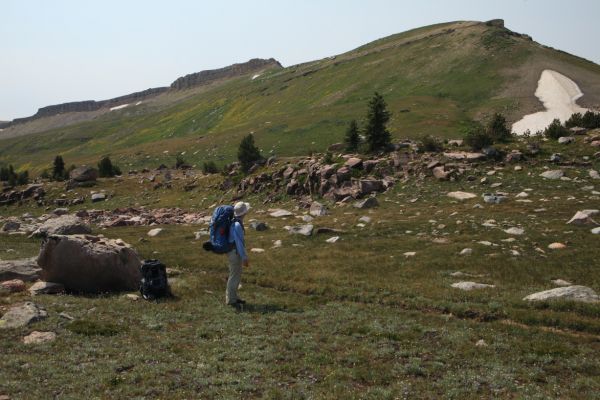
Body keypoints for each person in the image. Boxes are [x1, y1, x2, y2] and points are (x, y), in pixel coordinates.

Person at [226, 201, 250, 308]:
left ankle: (234, 297)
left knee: (235, 275)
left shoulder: (233, 222)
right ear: (244, 213)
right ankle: (231, 300)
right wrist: (244, 257)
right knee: (234, 276)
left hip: (232, 252)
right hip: (235, 253)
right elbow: (239, 243)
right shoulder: (237, 225)